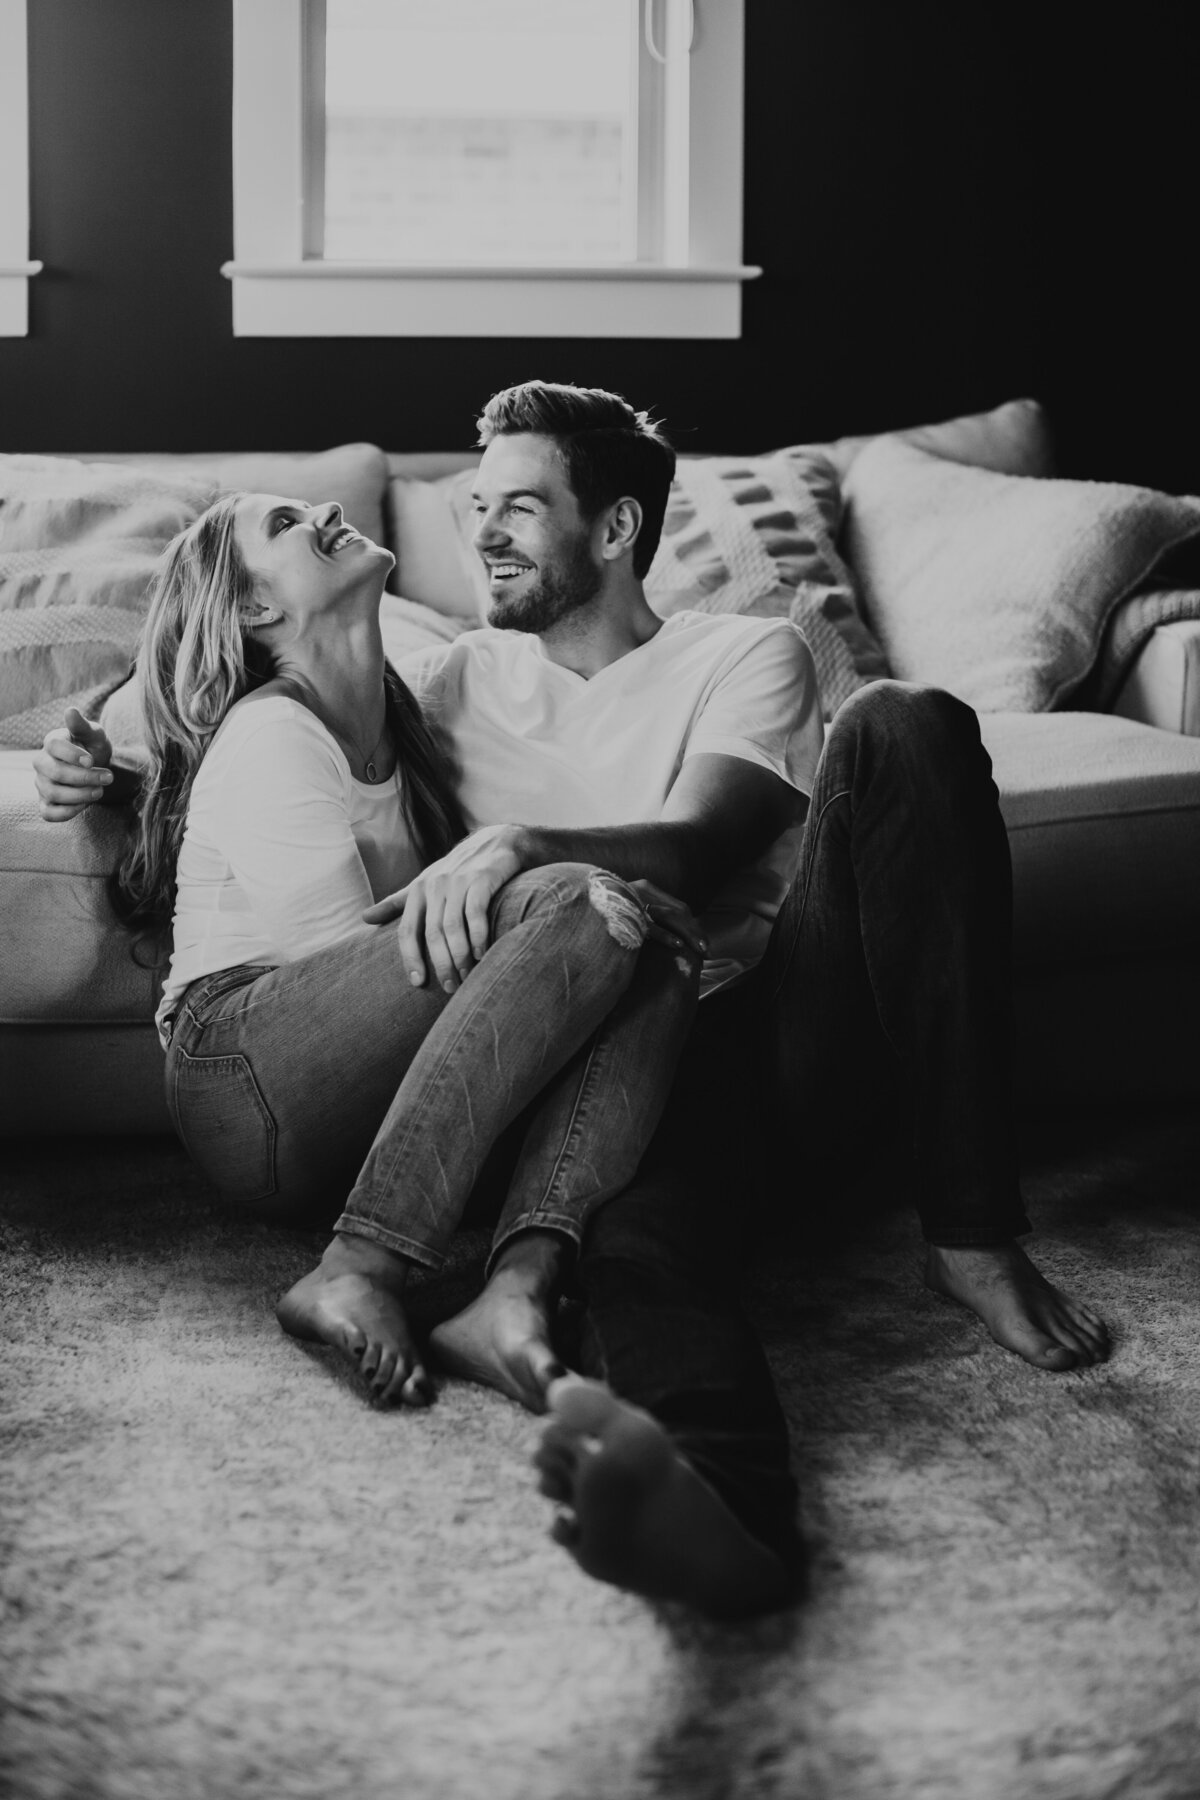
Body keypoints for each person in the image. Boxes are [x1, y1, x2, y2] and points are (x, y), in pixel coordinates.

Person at [35, 381, 1110, 1621]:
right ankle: (717, 1516)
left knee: (905, 721)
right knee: (637, 1262)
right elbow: (245, 695)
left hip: (772, 1033)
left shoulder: (742, 652)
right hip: (611, 1076)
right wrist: (105, 759)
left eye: (521, 509)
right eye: (476, 506)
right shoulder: (447, 679)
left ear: (613, 532)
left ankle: (971, 1234)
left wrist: (522, 845)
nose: (483, 532)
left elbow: (707, 844)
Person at [55, 486, 703, 1414]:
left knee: (660, 928)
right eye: (283, 526)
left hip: (333, 1083)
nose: (320, 509)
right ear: (253, 608)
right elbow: (363, 988)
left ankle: (516, 1290)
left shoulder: (409, 721)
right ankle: (358, 1265)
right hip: (243, 1073)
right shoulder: (274, 730)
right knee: (573, 896)